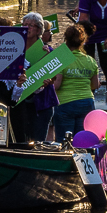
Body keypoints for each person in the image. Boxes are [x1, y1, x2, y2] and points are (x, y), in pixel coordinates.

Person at [51, 21, 101, 142]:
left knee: (64, 142)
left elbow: (56, 85)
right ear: (83, 41)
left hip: (65, 104)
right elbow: (94, 85)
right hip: (87, 102)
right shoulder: (90, 60)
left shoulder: (62, 60)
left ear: (66, 40)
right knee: (81, 141)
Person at [13, 11, 57, 145]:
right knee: (21, 141)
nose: (27, 27)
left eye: (31, 25)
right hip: (20, 104)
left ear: (39, 30)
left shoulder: (47, 51)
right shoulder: (16, 49)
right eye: (24, 24)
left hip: (41, 104)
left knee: (38, 142)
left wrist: (49, 81)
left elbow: (54, 76)